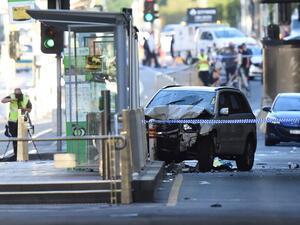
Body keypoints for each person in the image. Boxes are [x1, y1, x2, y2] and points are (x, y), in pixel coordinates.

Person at [1, 88, 32, 161]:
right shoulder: (12, 96)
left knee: (22, 139)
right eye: (16, 95)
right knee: (14, 139)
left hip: (22, 121)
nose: (17, 97)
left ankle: (22, 155)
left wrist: (24, 109)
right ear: (14, 94)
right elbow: (3, 100)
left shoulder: (25, 98)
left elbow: (30, 109)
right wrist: (10, 100)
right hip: (12, 122)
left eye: (19, 95)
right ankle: (16, 155)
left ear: (21, 93)